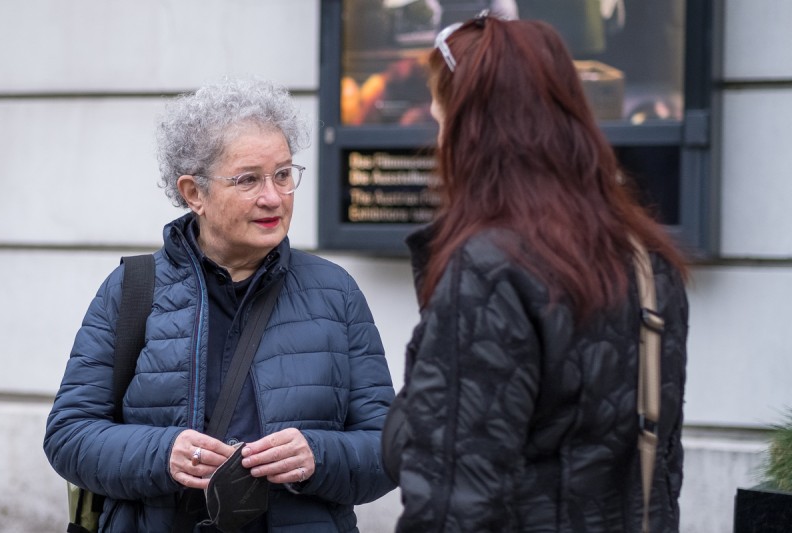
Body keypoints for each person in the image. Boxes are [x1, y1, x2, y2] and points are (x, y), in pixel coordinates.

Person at [44, 77, 396, 532]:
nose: (274, 197)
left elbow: (388, 449)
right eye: (248, 179)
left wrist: (319, 455)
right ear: (194, 193)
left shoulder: (336, 292)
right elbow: (69, 436)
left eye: (284, 174)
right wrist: (162, 453)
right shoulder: (132, 289)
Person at [382, 12, 689, 533]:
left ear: (468, 131)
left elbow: (453, 502)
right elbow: (658, 471)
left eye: (439, 120)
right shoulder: (646, 259)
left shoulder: (491, 271)